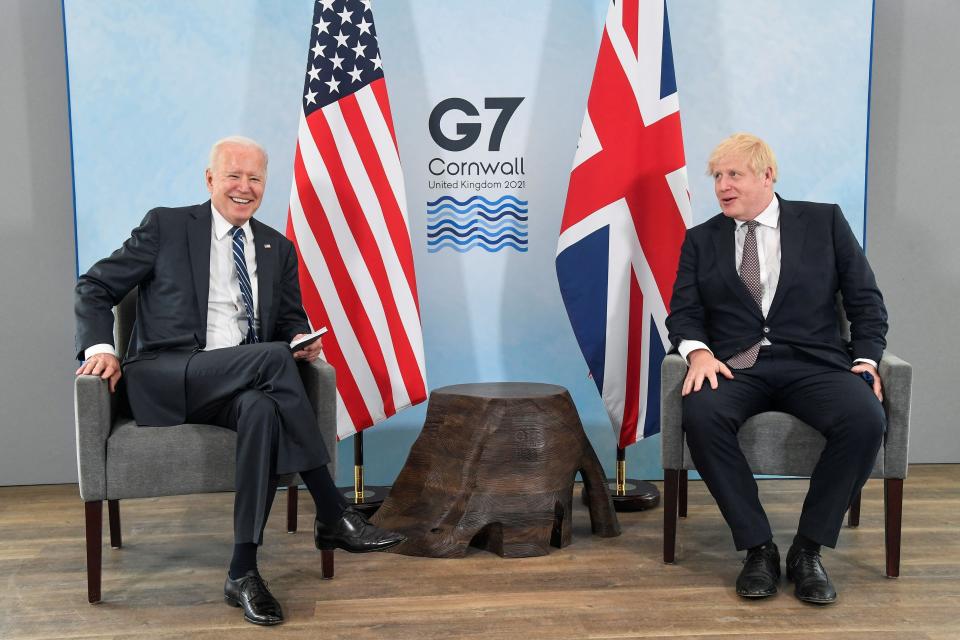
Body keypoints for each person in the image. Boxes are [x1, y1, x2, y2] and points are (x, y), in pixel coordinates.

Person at [74, 136, 405, 626]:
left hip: (234, 385)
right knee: (272, 361)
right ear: (210, 180)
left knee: (262, 409)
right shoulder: (165, 225)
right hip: (164, 375)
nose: (244, 187)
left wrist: (299, 340)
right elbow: (94, 286)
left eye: (255, 178)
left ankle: (243, 570)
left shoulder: (278, 247)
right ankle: (333, 512)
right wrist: (101, 348)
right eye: (233, 175)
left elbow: (290, 320)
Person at [665, 133, 887, 605]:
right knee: (701, 415)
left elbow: (865, 301)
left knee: (866, 418)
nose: (722, 186)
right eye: (717, 177)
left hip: (814, 363)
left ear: (767, 176)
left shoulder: (823, 222)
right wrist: (698, 353)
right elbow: (683, 314)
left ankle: (808, 550)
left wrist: (866, 359)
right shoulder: (701, 240)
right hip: (735, 368)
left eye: (733, 175)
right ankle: (757, 548)